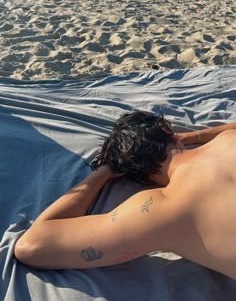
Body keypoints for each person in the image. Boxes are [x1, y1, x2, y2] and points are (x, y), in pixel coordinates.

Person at [14, 110, 236, 280]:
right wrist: (194, 136)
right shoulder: (228, 139)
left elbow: (31, 246)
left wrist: (103, 172)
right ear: (170, 134)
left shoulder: (159, 210)